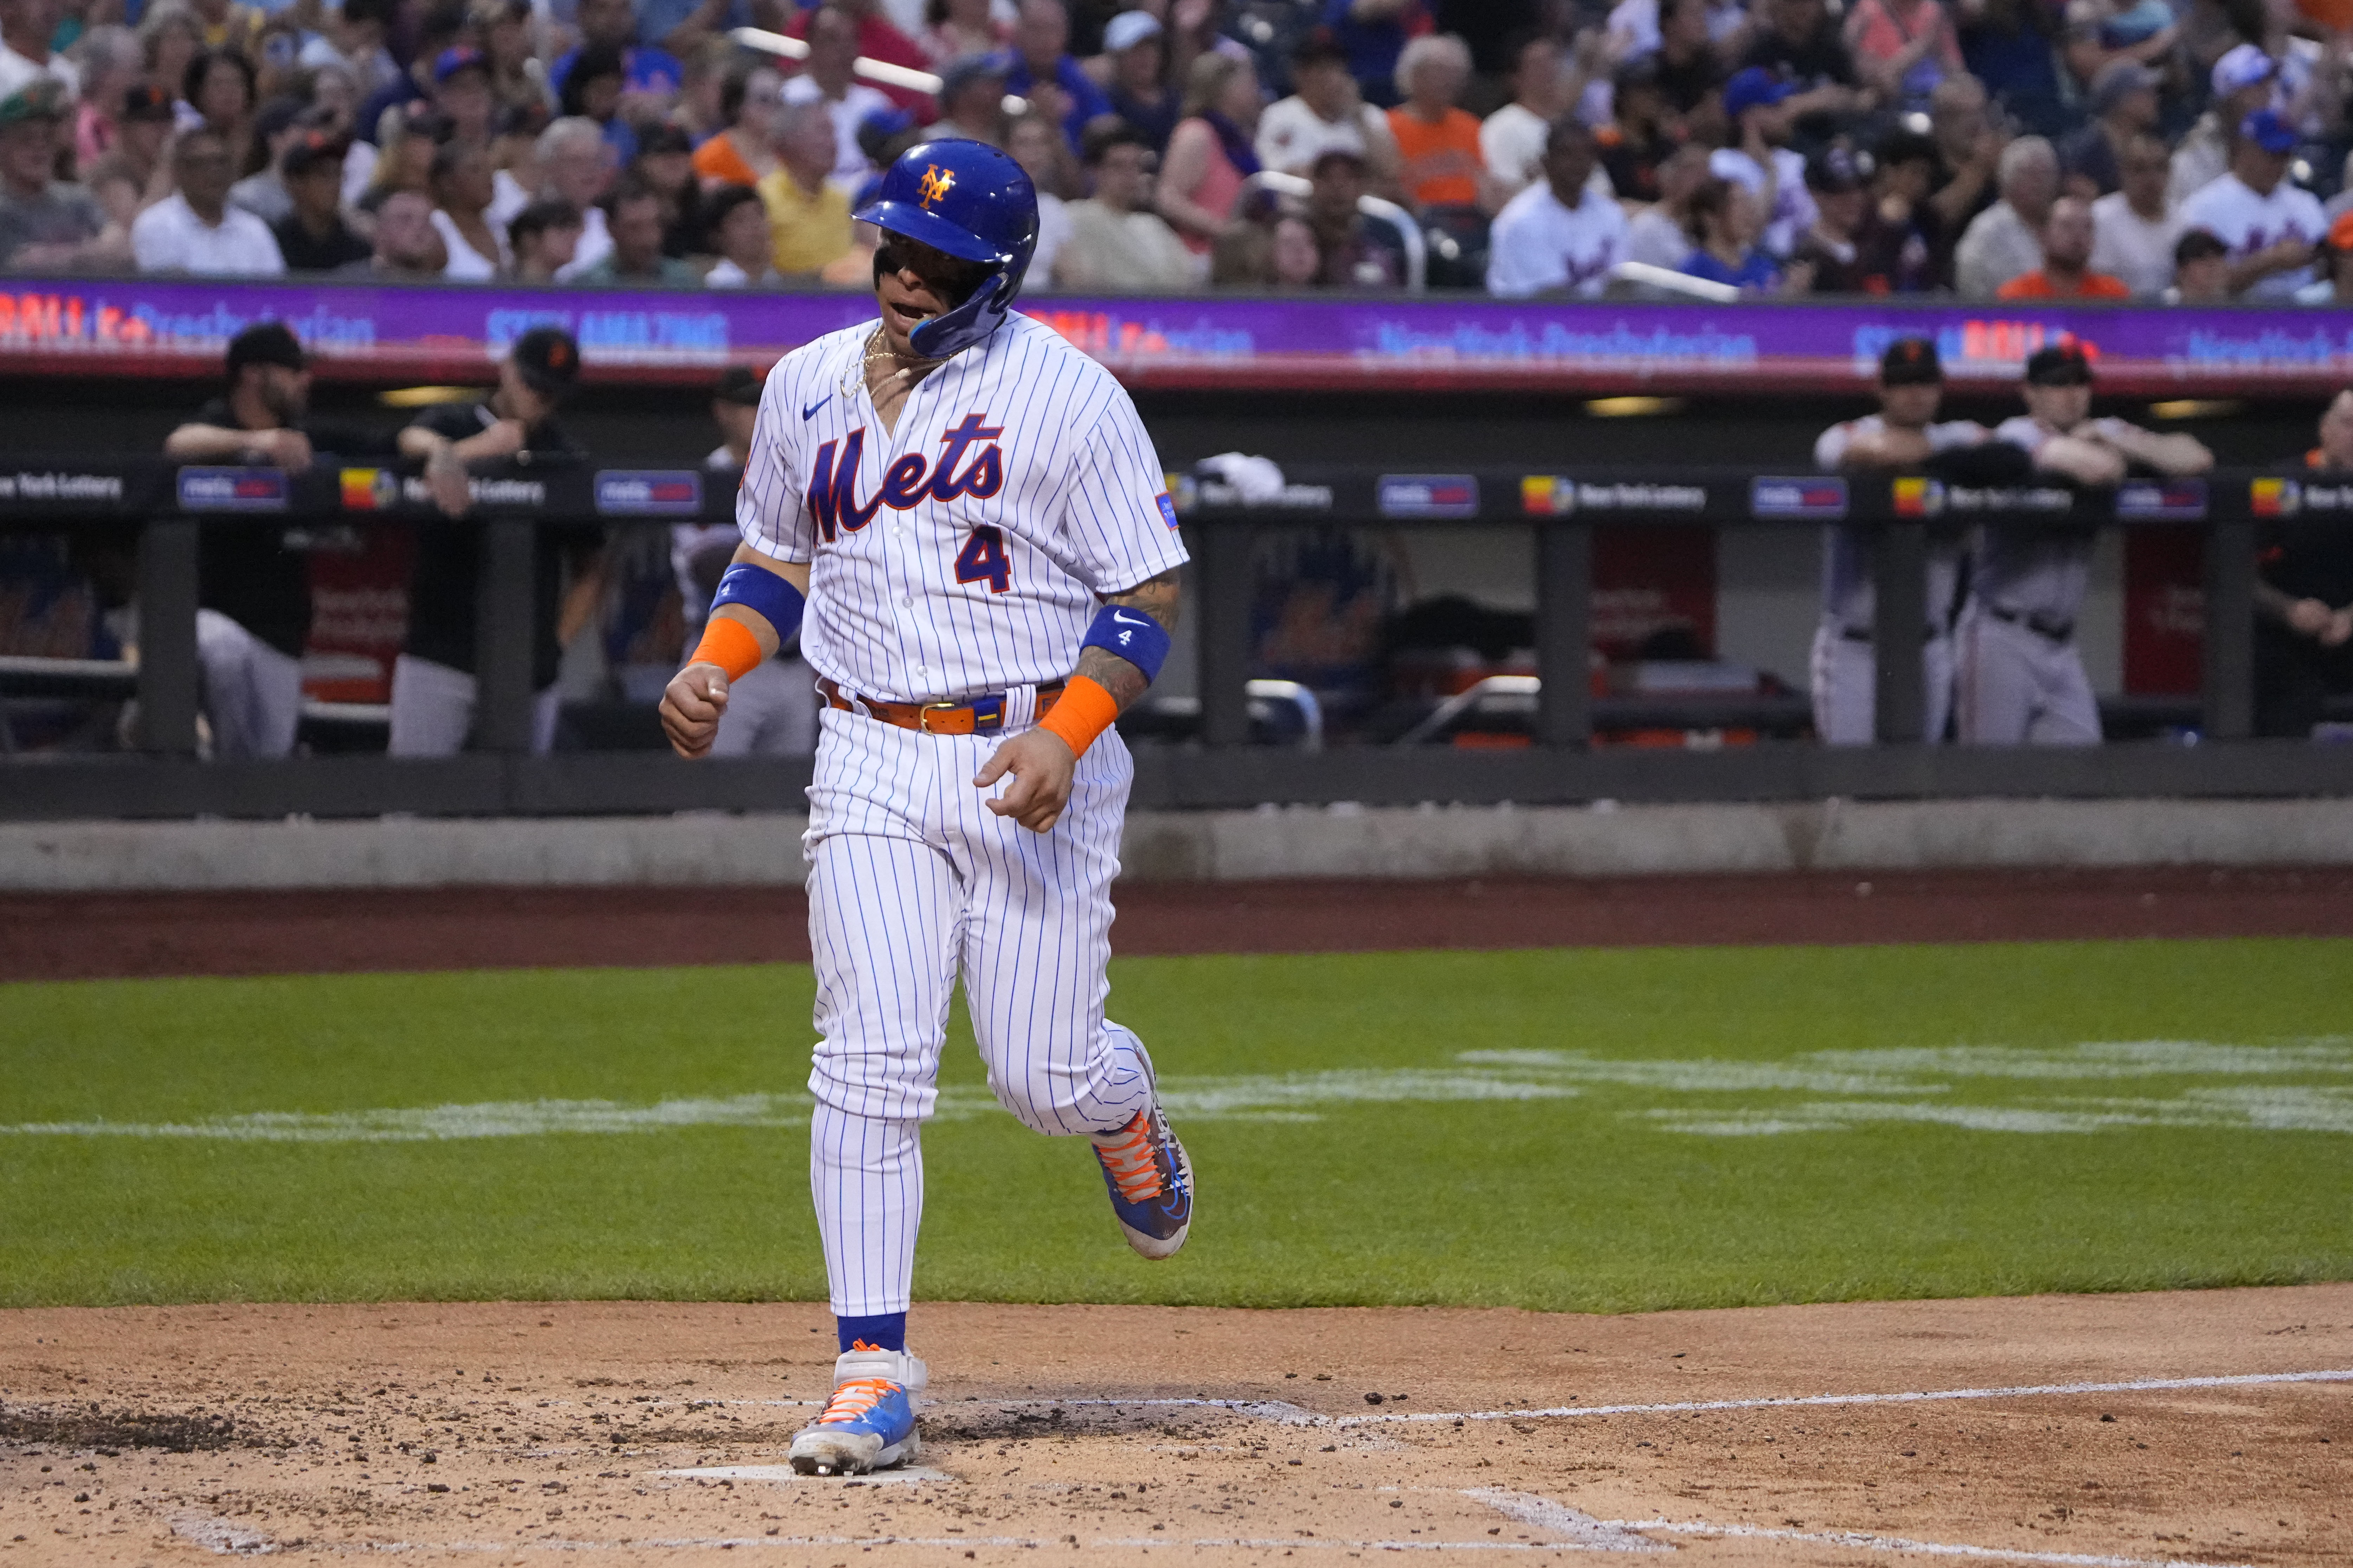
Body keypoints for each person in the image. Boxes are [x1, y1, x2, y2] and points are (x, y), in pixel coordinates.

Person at [656, 137, 1193, 1478]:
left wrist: (1072, 732)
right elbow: (776, 554)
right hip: (868, 753)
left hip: (1027, 751)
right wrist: (715, 664)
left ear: (992, 275)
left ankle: (1118, 1105)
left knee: (1039, 1075)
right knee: (868, 1058)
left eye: (934, 262)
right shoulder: (803, 386)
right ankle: (870, 1369)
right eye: (892, 250)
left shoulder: (1069, 396)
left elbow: (1146, 597)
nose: (903, 276)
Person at [1959, 340, 2213, 746]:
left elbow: (2195, 457)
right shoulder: (2016, 435)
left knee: (2083, 765)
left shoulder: (2105, 431)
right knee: (1988, 776)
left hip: (2060, 644)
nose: (2073, 394)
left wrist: (2117, 439)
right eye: (2059, 385)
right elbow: (2098, 471)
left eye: (2080, 383)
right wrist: (2103, 446)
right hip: (2001, 634)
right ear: (2031, 393)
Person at [161, 324, 386, 760]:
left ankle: (225, 790)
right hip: (210, 618)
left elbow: (390, 448)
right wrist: (257, 442)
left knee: (265, 771)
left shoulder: (305, 436)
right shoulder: (216, 425)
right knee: (222, 649)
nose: (306, 380)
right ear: (253, 375)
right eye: (293, 371)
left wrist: (440, 455)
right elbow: (177, 444)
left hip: (280, 632)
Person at [391, 326, 597, 757]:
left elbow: (593, 566)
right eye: (532, 385)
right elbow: (410, 440)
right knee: (412, 802)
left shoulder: (563, 456)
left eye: (550, 394)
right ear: (506, 370)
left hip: (529, 670)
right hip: (440, 655)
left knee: (517, 813)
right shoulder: (456, 423)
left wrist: (557, 642)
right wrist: (466, 451)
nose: (538, 401)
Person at [1809, 338, 1985, 744]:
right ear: (1882, 389)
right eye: (1903, 383)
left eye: (1925, 382)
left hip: (1929, 645)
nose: (1915, 393)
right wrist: (1948, 462)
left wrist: (1941, 458)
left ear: (1940, 388)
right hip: (1857, 645)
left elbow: (2009, 457)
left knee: (1919, 784)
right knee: (1851, 778)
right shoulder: (1849, 433)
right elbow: (1860, 452)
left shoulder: (1961, 434)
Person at [667, 365, 819, 757]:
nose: (760, 412)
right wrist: (789, 554)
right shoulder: (704, 478)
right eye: (750, 404)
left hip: (795, 663)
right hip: (725, 663)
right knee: (705, 805)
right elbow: (711, 566)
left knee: (784, 806)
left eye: (765, 402)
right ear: (722, 411)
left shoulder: (803, 475)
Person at [2253, 391, 2353, 737]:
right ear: (2325, 429)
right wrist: (2290, 611)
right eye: (2349, 425)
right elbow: (2235, 574)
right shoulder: (2280, 484)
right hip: (2289, 636)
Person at [2178, 108, 2327, 302]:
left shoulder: (2307, 203)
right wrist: (2270, 262)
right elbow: (2200, 287)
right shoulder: (2204, 207)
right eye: (2271, 153)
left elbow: (2333, 273)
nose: (2279, 162)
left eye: (2285, 154)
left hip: (2308, 318)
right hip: (2236, 320)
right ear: (2244, 150)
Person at [1487, 115, 1626, 297]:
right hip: (1527, 320)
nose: (1578, 163)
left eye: (1586, 154)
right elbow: (1548, 297)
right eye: (1567, 154)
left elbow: (1622, 285)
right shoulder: (1520, 220)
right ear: (1546, 161)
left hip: (1598, 319)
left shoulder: (1612, 215)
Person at [1054, 118, 1194, 289]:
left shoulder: (1154, 225)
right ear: (1096, 171)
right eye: (1118, 166)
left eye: (1136, 166)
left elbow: (1185, 278)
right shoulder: (1076, 216)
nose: (1130, 175)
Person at [131, 126, 286, 275]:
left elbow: (275, 291)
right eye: (202, 164)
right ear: (180, 171)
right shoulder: (156, 225)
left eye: (221, 162)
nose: (215, 172)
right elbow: (165, 293)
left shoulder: (254, 229)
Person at [1255, 31, 1399, 190]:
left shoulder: (1368, 114)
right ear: (1300, 75)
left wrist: (1358, 116)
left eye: (1338, 68)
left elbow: (1392, 172)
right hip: (1302, 209)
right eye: (1323, 69)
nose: (1334, 78)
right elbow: (1281, 174)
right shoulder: (1279, 116)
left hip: (1365, 208)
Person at [0, 82, 114, 271]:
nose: (39, 147)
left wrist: (55, 256)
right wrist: (92, 252)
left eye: (47, 137)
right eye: (26, 139)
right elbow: (23, 265)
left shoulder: (78, 199)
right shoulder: (4, 209)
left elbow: (119, 245)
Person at [782, 6, 895, 189]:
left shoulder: (876, 102)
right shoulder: (790, 97)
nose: (844, 50)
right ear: (811, 46)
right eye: (832, 40)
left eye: (851, 40)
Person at [1156, 49, 1257, 254]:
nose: (1255, 91)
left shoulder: (1239, 140)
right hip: (1200, 259)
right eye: (1247, 84)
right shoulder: (1197, 133)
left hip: (1235, 262)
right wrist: (1223, 230)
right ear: (1223, 89)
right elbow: (1168, 199)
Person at [1709, 66, 1814, 260]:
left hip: (1795, 265)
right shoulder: (1724, 164)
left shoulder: (1792, 161)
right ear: (1748, 117)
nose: (1785, 113)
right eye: (1774, 107)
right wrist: (1770, 172)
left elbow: (1811, 226)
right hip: (1750, 267)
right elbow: (1750, 233)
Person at [1386, 33, 1488, 218]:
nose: (1449, 81)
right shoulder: (1388, 127)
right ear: (1414, 76)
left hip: (1471, 222)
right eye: (1439, 72)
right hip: (1418, 221)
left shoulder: (1472, 126)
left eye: (1455, 73)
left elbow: (1485, 183)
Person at [2170, 42, 2276, 208]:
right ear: (2230, 97)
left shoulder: (2275, 146)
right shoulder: (2195, 155)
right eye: (2256, 85)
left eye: (2267, 84)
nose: (2267, 94)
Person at [758, 98, 854, 276]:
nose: (832, 143)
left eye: (833, 133)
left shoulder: (843, 199)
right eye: (822, 132)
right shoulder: (763, 199)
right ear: (789, 140)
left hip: (844, 300)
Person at [1005, 0, 1115, 154]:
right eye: (1035, 29)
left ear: (1066, 34)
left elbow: (1106, 124)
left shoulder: (1075, 75)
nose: (1044, 39)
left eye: (1052, 30)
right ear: (1018, 32)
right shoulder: (1000, 73)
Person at [1954, 135, 2057, 298]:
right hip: (2003, 316)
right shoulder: (1986, 230)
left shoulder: (2063, 223)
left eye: (2046, 174)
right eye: (2030, 174)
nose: (2040, 182)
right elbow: (1972, 287)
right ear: (2006, 179)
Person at [2088, 133, 2184, 296]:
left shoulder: (2184, 221)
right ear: (2123, 173)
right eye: (2140, 169)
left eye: (2160, 168)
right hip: (2115, 315)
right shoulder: (2100, 218)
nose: (2151, 179)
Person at [1479, 30, 1567, 201]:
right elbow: (1505, 193)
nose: (1550, 71)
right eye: (1538, 65)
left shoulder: (1571, 126)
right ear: (1515, 79)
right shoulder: (1502, 127)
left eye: (1553, 61)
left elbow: (1601, 189)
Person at [270, 128, 371, 270]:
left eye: (338, 174)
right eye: (324, 175)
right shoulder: (273, 242)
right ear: (295, 183)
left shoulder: (358, 248)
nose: (335, 185)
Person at [1303, 144, 1402, 288]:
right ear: (1313, 185)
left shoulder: (1381, 241)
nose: (1337, 186)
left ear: (1362, 187)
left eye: (1347, 178)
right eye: (1327, 178)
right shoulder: (1294, 239)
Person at [2058, 59, 2158, 200]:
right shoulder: (2083, 152)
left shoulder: (2151, 143)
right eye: (2145, 93)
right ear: (2121, 100)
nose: (2154, 99)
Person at [1997, 194, 2131, 298]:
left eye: (2087, 228)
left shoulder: (2114, 295)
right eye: (2067, 226)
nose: (2078, 235)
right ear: (2043, 235)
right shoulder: (2015, 296)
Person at [575, 173, 697, 283]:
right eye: (635, 228)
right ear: (611, 228)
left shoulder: (685, 282)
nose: (649, 238)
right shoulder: (587, 287)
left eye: (655, 225)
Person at [1678, 176, 1793, 291]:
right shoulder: (1694, 272)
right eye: (1738, 203)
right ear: (1710, 217)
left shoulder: (1765, 268)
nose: (1748, 211)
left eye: (1748, 202)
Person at [539, 115, 617, 278]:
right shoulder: (533, 223)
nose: (589, 170)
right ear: (551, 168)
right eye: (577, 161)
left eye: (595, 161)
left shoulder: (609, 221)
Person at [1099, 9, 1177, 154]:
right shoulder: (1105, 104)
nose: (1145, 56)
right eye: (1134, 49)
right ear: (1116, 57)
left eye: (1151, 46)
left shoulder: (1178, 101)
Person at [430, 136, 508, 278]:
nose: (488, 177)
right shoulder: (436, 228)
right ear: (447, 183)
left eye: (490, 169)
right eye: (476, 170)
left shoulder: (499, 224)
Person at [695, 65, 782, 190]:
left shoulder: (791, 157)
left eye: (780, 100)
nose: (775, 107)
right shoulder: (710, 158)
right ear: (737, 106)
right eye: (764, 100)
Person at [337, 186, 444, 276]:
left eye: (427, 221)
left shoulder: (451, 288)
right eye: (405, 220)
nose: (419, 228)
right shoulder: (346, 284)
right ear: (381, 231)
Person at [702, 182, 780, 284]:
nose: (755, 226)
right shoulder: (715, 286)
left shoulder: (778, 283)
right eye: (741, 220)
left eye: (760, 216)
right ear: (718, 237)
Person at [509, 195, 584, 281]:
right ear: (530, 239)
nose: (573, 236)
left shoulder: (568, 286)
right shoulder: (500, 289)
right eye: (561, 229)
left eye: (572, 229)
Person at [2165, 224, 2231, 301]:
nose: (2213, 265)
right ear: (2183, 269)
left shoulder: (2237, 307)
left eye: (2219, 257)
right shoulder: (2159, 306)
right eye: (2203, 259)